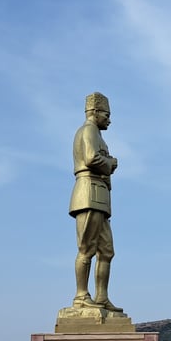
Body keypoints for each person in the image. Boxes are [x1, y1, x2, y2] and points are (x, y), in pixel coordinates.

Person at [69, 91, 122, 313]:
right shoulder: (88, 131)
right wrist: (110, 163)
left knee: (106, 250)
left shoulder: (97, 134)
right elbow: (91, 158)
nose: (109, 120)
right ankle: (81, 296)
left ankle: (102, 297)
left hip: (99, 195)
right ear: (95, 112)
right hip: (88, 192)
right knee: (86, 248)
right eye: (106, 115)